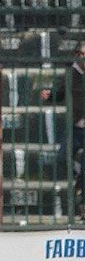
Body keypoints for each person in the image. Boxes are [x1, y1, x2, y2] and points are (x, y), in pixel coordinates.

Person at [40, 42, 85, 217]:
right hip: (75, 126)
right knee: (62, 158)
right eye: (80, 53)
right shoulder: (71, 73)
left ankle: (81, 200)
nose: (82, 57)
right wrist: (49, 96)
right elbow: (59, 93)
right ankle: (79, 176)